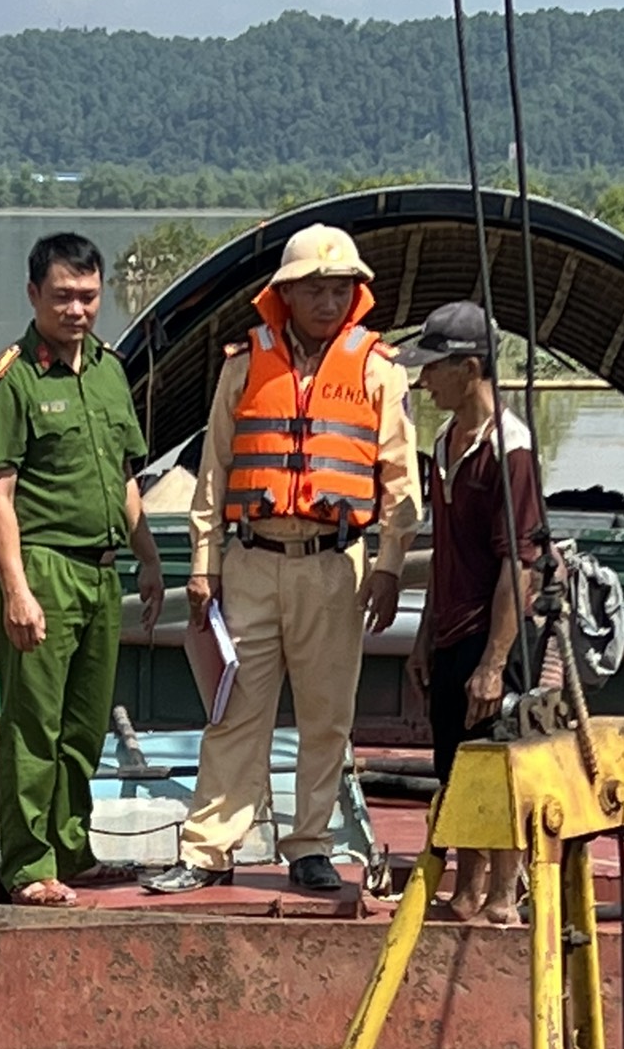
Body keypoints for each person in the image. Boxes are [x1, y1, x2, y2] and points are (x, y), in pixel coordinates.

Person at [144, 224, 419, 896]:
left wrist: (388, 566)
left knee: (326, 715)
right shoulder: (244, 365)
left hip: (334, 567)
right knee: (236, 710)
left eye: (338, 291)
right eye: (314, 291)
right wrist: (202, 564)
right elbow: (213, 475)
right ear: (286, 296)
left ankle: (310, 845)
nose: (328, 303)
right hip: (252, 561)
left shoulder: (379, 370)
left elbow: (400, 482)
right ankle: (209, 849)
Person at [0, 232, 165, 906]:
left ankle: (72, 848)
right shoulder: (10, 381)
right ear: (34, 296)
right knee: (33, 725)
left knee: (83, 726)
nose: (77, 310)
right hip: (44, 568)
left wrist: (148, 558)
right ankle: (28, 864)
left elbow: (124, 476)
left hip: (103, 573)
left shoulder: (111, 371)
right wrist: (16, 590)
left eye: (87, 296)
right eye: (62, 297)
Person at [399, 300, 543, 924]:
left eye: (435, 368)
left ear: (470, 367)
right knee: (455, 766)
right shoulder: (445, 442)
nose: (424, 380)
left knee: (499, 765)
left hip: (493, 636)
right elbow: (446, 551)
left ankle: (504, 895)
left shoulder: (511, 449)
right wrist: (425, 638)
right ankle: (465, 887)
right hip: (453, 630)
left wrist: (495, 660)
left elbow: (520, 562)